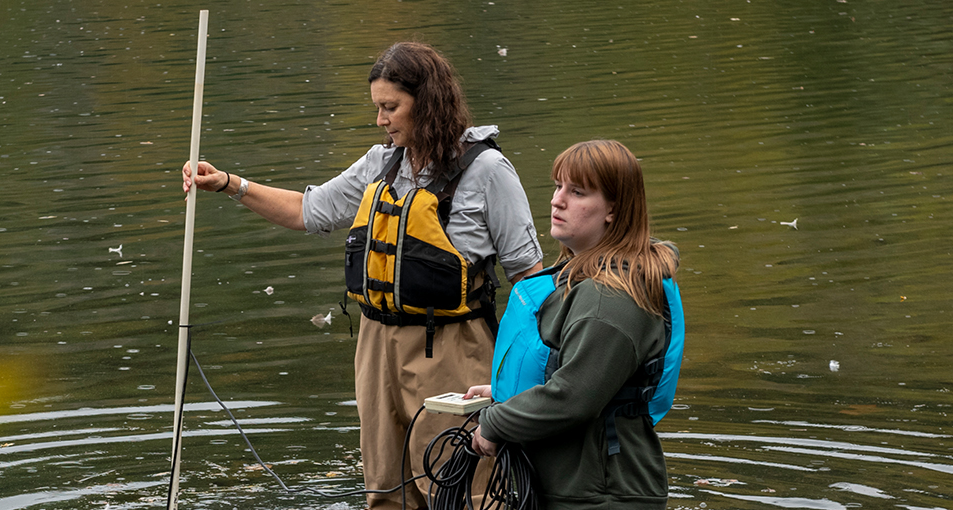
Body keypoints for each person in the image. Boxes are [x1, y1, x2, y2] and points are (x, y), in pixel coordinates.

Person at [181, 42, 543, 509]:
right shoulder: (381, 163)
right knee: (386, 491)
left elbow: (530, 280)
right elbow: (308, 210)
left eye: (390, 107)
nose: (381, 120)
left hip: (453, 346)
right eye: (378, 108)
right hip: (376, 349)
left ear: (429, 103)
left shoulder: (488, 171)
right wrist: (231, 183)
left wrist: (525, 381)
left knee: (463, 490)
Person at [465, 140, 681, 509]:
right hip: (577, 485)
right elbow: (583, 373)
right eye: (558, 186)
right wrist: (511, 391)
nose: (557, 200)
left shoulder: (611, 297)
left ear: (613, 209)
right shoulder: (590, 279)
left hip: (601, 494)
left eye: (577, 192)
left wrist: (496, 422)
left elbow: (573, 396)